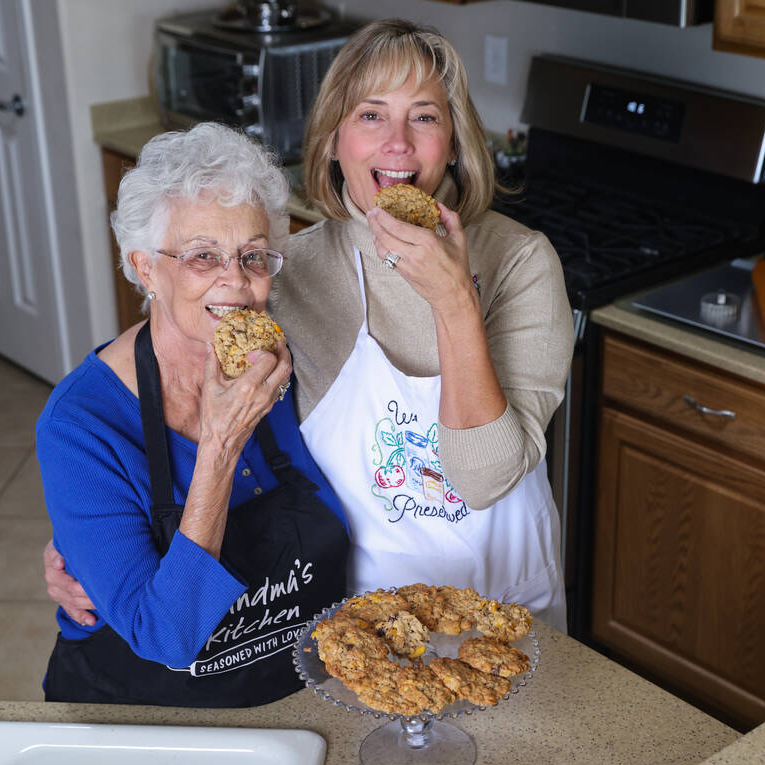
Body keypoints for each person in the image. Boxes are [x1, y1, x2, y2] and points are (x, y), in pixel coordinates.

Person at [47, 18, 573, 630]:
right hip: (360, 614)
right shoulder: (284, 270)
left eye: (425, 116)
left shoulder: (521, 262)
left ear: (454, 140)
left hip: (503, 601)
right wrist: (85, 543)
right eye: (371, 115)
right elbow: (158, 379)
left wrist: (454, 299)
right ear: (332, 141)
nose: (398, 143)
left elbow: (485, 480)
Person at [36, 123, 349, 707]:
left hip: (294, 697)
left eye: (252, 255)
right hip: (146, 727)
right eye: (203, 256)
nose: (236, 280)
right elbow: (167, 636)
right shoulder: (80, 425)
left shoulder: (291, 358)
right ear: (146, 268)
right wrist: (221, 444)